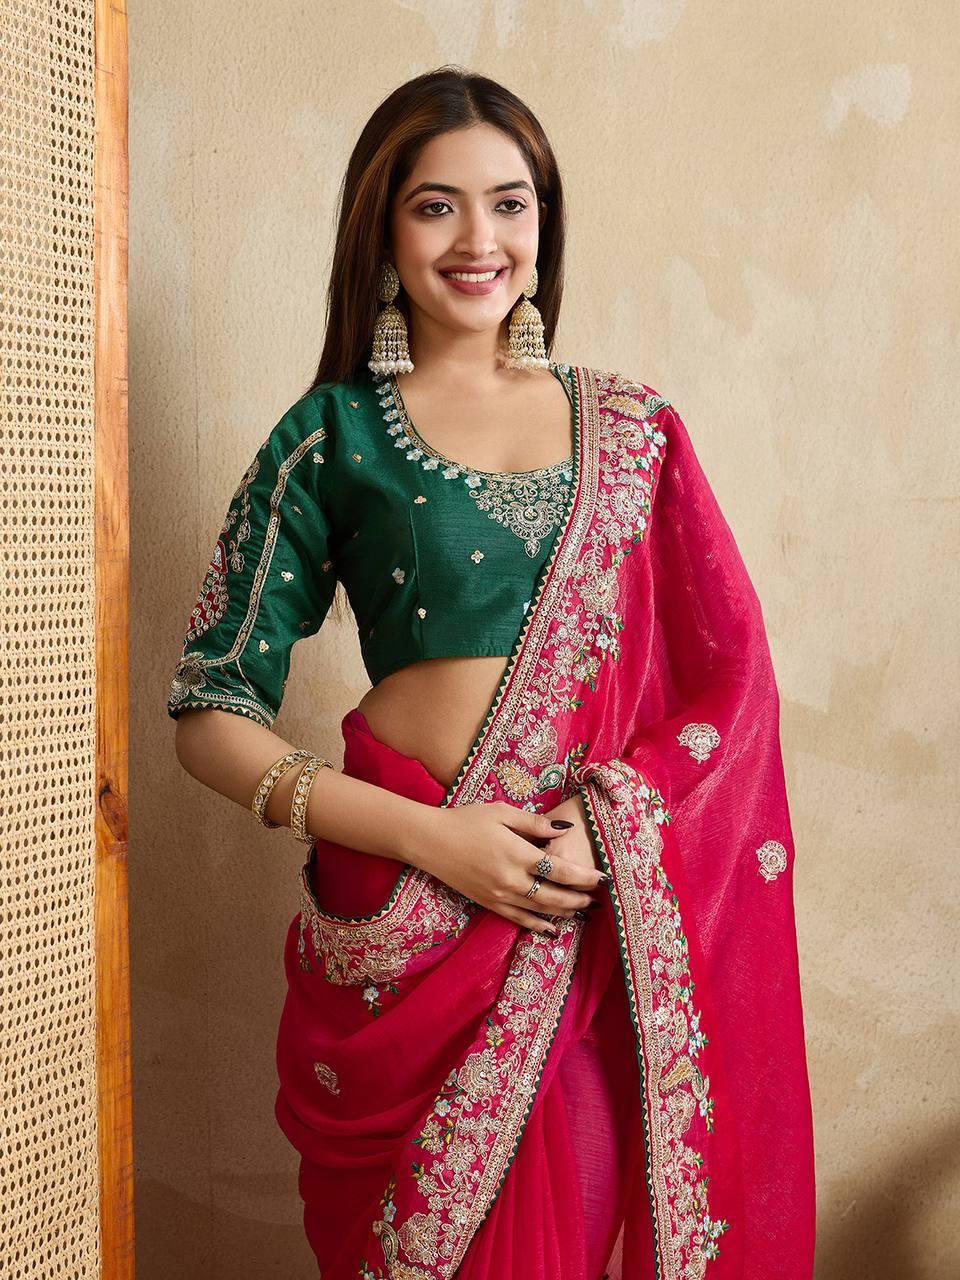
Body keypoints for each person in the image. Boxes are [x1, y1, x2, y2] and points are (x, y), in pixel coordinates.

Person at [168, 67, 815, 1280]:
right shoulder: (329, 435)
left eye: (512, 204)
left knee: (570, 1208)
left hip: (575, 902)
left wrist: (606, 831)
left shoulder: (634, 429)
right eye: (437, 206)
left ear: (544, 223)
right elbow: (210, 710)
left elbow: (734, 686)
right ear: (382, 226)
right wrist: (427, 836)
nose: (482, 240)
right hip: (403, 914)